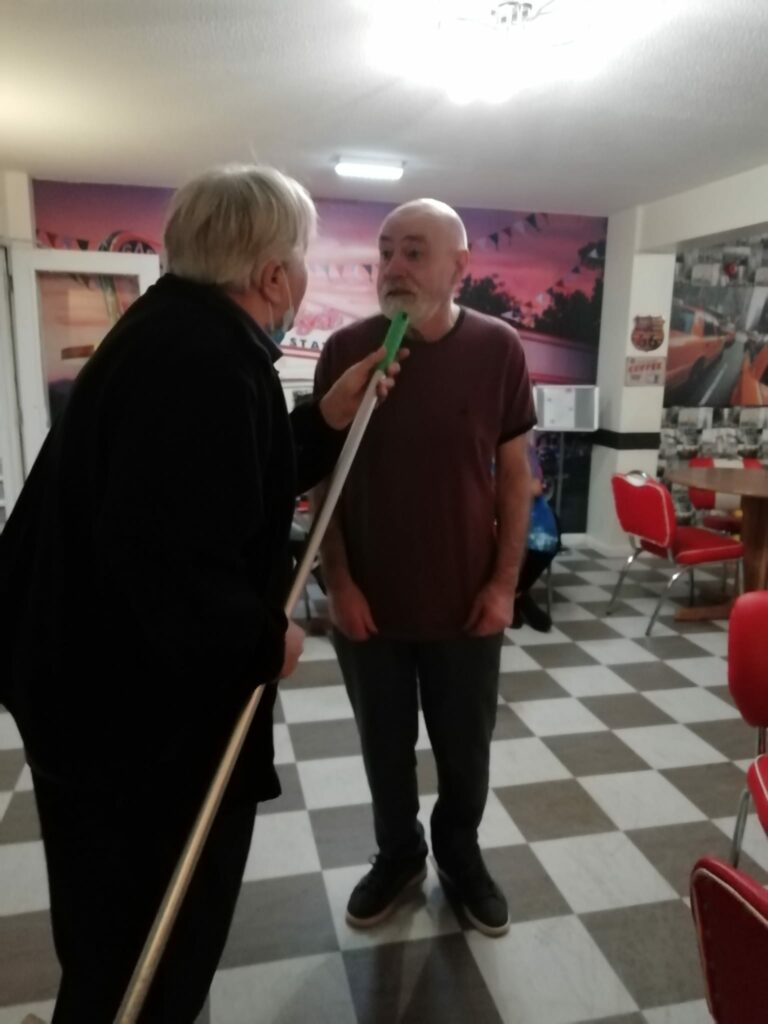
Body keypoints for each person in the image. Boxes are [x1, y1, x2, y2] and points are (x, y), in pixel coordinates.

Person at [0, 164, 403, 1022]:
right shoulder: (204, 364)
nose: (303, 278)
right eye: (301, 260)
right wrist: (265, 639)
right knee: (148, 952)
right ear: (272, 274)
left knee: (106, 938)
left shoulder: (173, 332)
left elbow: (222, 485)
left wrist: (322, 419)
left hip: (86, 696)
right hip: (136, 731)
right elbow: (164, 561)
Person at [313, 198, 535, 938]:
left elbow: (515, 477)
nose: (394, 267)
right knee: (384, 749)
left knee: (465, 751)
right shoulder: (347, 349)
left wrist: (504, 585)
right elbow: (324, 480)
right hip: (369, 606)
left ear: (459, 265)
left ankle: (460, 858)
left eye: (414, 251)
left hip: (466, 603)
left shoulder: (498, 348)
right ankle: (399, 854)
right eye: (386, 252)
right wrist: (340, 583)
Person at [511, 435, 560, 632]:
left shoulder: (523, 446)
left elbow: (536, 486)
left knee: (548, 539)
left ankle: (516, 594)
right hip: (495, 511)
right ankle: (516, 597)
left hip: (530, 510)